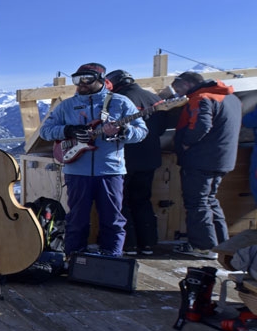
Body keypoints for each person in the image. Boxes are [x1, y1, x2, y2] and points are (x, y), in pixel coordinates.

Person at [39, 63, 147, 258]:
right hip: (76, 170)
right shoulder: (66, 106)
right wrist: (68, 130)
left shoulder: (121, 103)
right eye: (77, 79)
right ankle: (73, 258)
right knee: (76, 219)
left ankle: (111, 258)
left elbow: (141, 132)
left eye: (87, 79)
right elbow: (45, 131)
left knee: (113, 219)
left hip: (110, 170)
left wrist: (123, 131)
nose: (81, 84)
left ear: (100, 79)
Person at [169, 71, 241, 258]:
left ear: (186, 84)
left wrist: (186, 143)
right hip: (222, 159)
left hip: (200, 159)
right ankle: (222, 245)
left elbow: (201, 125)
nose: (178, 94)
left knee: (197, 203)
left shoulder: (201, 98)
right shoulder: (231, 98)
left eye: (178, 89)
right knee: (210, 200)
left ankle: (204, 247)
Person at [106, 69, 165, 256]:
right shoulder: (153, 98)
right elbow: (163, 128)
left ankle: (128, 244)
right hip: (150, 158)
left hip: (126, 158)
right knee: (142, 200)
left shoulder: (118, 100)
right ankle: (147, 243)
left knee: (120, 201)